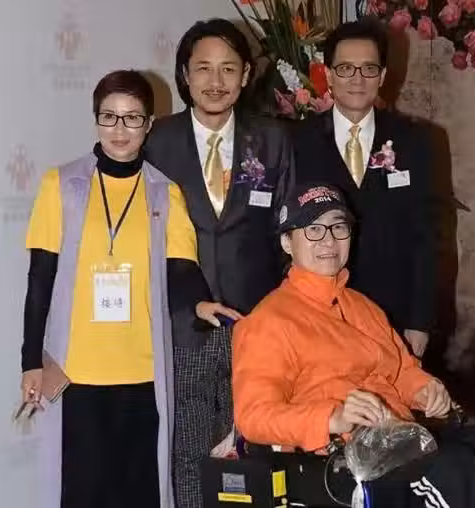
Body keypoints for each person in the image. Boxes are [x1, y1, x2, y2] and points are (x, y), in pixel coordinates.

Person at [231, 183, 475, 508]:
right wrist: (332, 418)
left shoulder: (362, 306)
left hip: (401, 437)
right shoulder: (268, 322)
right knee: (452, 468)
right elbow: (253, 417)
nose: (329, 240)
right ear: (287, 242)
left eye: (338, 227)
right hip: (341, 458)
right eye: (313, 229)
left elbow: (402, 370)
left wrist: (425, 390)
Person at [20, 70, 223, 508]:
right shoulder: (61, 185)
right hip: (76, 375)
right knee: (82, 493)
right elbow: (40, 280)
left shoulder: (164, 193)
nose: (119, 129)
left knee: (138, 493)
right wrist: (30, 361)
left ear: (149, 124)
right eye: (109, 116)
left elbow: (181, 270)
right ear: (96, 119)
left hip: (142, 373)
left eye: (132, 118)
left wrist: (198, 304)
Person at [145, 18, 295, 507]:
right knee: (186, 450)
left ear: (246, 75)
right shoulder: (155, 141)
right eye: (203, 68)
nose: (216, 81)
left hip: (255, 320)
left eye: (228, 68)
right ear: (184, 75)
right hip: (179, 322)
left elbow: (289, 231)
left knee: (253, 448)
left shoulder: (273, 140)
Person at [293, 20, 437, 363]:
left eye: (369, 68)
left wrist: (420, 321)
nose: (357, 79)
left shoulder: (415, 141)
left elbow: (428, 238)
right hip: (321, 313)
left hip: (394, 314)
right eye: (345, 68)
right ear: (328, 75)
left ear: (382, 75)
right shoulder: (296, 142)